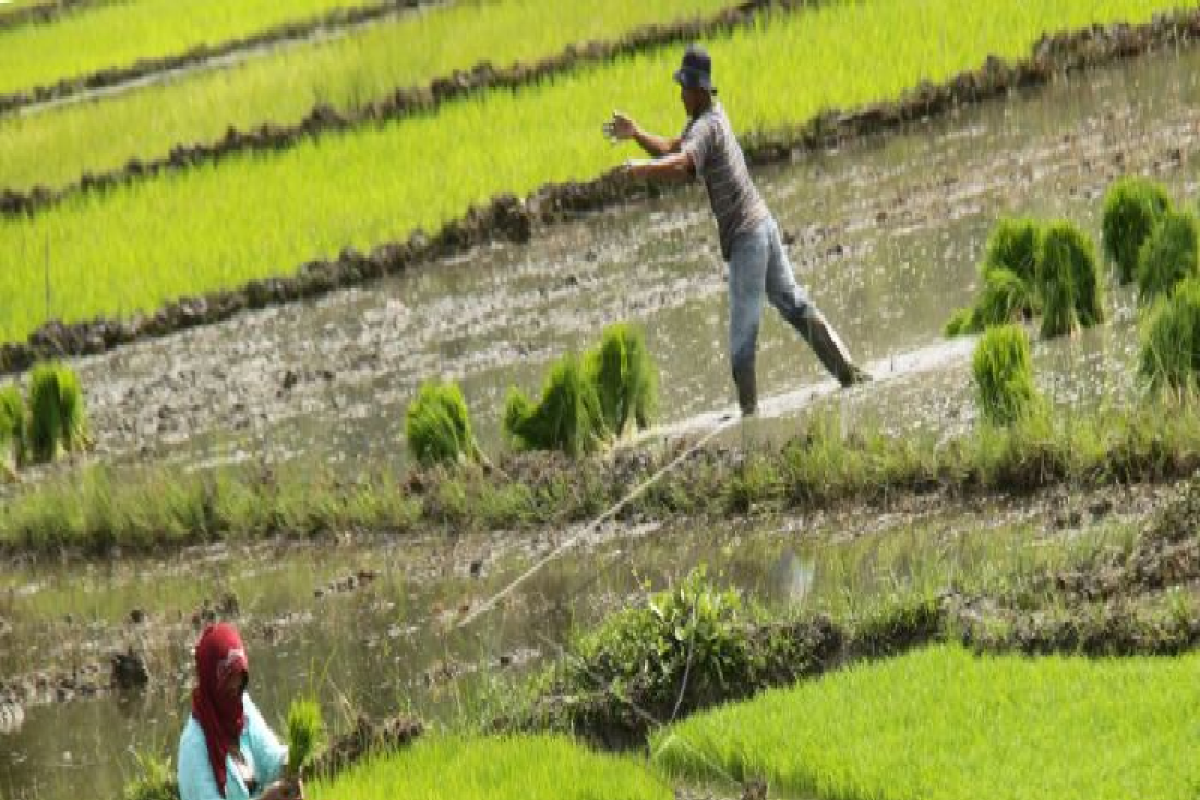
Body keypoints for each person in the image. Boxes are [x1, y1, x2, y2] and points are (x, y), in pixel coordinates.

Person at [603, 44, 870, 416]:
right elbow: (672, 147)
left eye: (683, 89)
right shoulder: (711, 118)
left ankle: (750, 419)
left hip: (747, 236)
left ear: (698, 91)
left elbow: (681, 163)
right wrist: (636, 134)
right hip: (764, 224)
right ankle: (850, 374)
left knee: (742, 337)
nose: (680, 95)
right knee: (794, 304)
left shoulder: (707, 128)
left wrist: (640, 170)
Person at [178, 623, 301, 800]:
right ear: (211, 685)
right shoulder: (194, 747)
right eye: (228, 690)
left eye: (240, 685)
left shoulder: (243, 710)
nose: (235, 695)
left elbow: (271, 761)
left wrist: (291, 766)